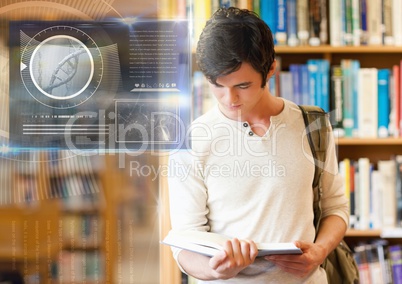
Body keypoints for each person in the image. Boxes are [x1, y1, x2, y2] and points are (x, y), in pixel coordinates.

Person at [167, 7, 349, 283]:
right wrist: (215, 269)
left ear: (271, 69)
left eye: (242, 85)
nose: (229, 99)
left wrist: (320, 251)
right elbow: (183, 244)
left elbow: (336, 208)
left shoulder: (313, 125)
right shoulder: (189, 141)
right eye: (217, 85)